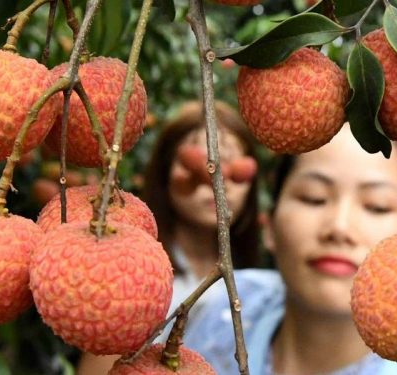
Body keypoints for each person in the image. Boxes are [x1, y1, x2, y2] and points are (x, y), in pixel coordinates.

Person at [183, 124, 397, 374]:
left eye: (377, 206)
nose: (339, 227)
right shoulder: (223, 306)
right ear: (269, 226)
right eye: (313, 197)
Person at [77, 100, 261, 374]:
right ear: (163, 175)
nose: (215, 181)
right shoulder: (132, 278)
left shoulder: (260, 288)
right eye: (199, 163)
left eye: (232, 168)